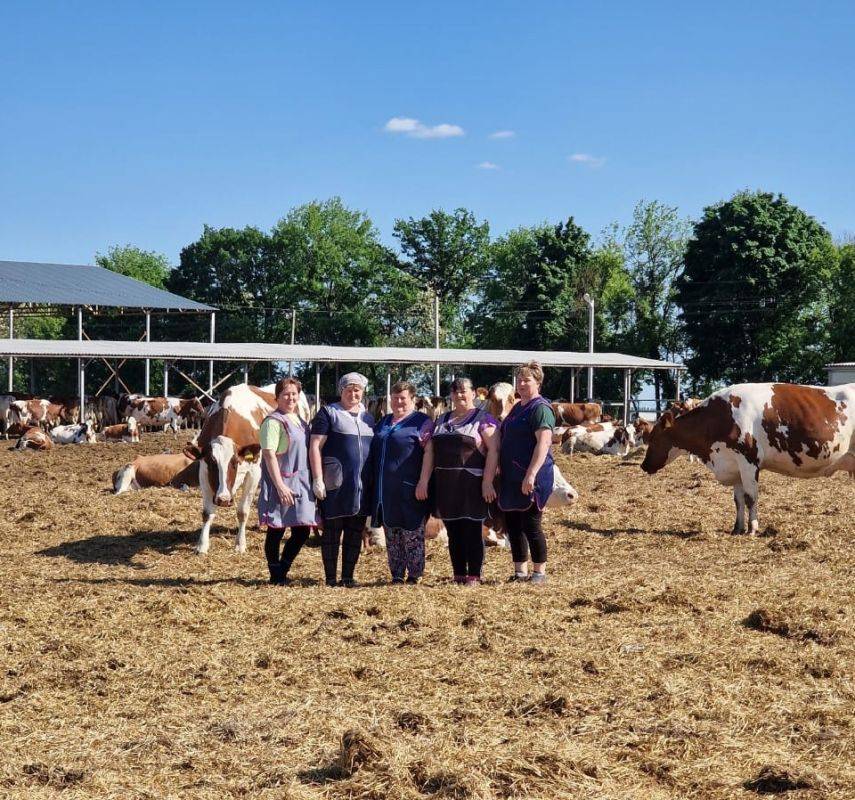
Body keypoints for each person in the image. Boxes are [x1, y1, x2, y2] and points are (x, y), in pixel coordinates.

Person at [425, 377, 499, 586]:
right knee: (453, 530)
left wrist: (487, 481)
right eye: (455, 391)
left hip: (472, 484)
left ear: (474, 393)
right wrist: (425, 481)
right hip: (447, 484)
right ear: (451, 395)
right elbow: (430, 451)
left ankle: (474, 575)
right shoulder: (441, 420)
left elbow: (494, 450)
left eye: (464, 391)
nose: (460, 395)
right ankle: (458, 574)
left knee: (472, 529)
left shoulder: (484, 420)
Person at [309, 372, 374, 588]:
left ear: (363, 392)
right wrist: (318, 478)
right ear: (341, 391)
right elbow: (315, 446)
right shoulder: (328, 413)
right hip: (335, 481)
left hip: (360, 485)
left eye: (357, 390)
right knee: (332, 531)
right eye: (349, 389)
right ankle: (330, 579)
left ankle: (347, 577)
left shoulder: (368, 418)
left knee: (355, 531)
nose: (353, 394)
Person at [368, 380, 434, 584]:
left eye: (403, 398)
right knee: (392, 532)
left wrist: (424, 481)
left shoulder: (421, 422)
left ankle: (415, 574)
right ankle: (396, 573)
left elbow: (430, 452)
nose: (398, 402)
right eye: (395, 398)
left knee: (412, 531)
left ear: (413, 400)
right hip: (385, 489)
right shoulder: (383, 422)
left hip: (410, 486)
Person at [498, 361, 555, 585]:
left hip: (531, 475)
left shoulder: (540, 408)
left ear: (538, 382)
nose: (521, 384)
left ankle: (539, 572)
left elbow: (543, 443)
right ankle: (520, 571)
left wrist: (531, 474)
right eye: (519, 380)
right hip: (511, 474)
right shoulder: (517, 408)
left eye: (526, 380)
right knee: (513, 524)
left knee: (531, 524)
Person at [257, 377, 317, 585]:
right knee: (277, 528)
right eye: (286, 394)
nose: (290, 398)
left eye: (294, 394)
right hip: (281, 481)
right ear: (277, 397)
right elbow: (269, 455)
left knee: (302, 529)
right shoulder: (273, 422)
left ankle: (283, 567)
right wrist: (280, 486)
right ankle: (275, 574)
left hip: (301, 482)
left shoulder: (299, 421)